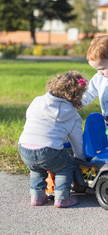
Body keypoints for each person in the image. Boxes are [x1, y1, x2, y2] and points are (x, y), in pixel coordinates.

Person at [18, 71, 87, 208]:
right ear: (78, 95)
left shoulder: (37, 100)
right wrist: (81, 159)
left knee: (37, 169)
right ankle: (62, 198)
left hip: (24, 147)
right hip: (49, 150)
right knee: (66, 166)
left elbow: (29, 117)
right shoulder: (72, 115)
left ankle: (37, 197)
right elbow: (77, 142)